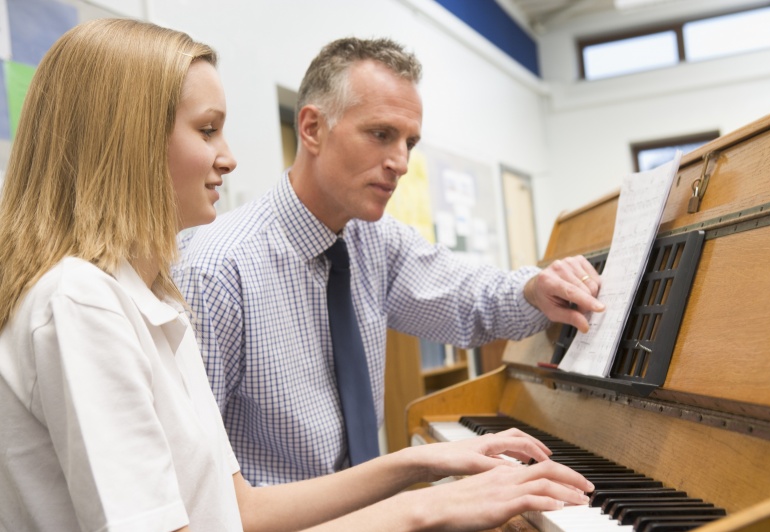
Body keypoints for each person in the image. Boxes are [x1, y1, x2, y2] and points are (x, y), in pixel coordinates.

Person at [0, 18, 595, 532]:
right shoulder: (105, 298)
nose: (400, 162)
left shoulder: (153, 294)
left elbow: (235, 509)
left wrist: (427, 467)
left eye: (408, 141)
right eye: (207, 130)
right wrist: (427, 508)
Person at [174, 36, 605, 486]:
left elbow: (467, 297)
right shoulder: (215, 270)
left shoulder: (373, 238)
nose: (400, 162)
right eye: (381, 135)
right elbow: (196, 484)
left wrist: (533, 289)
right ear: (312, 129)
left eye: (410, 142)